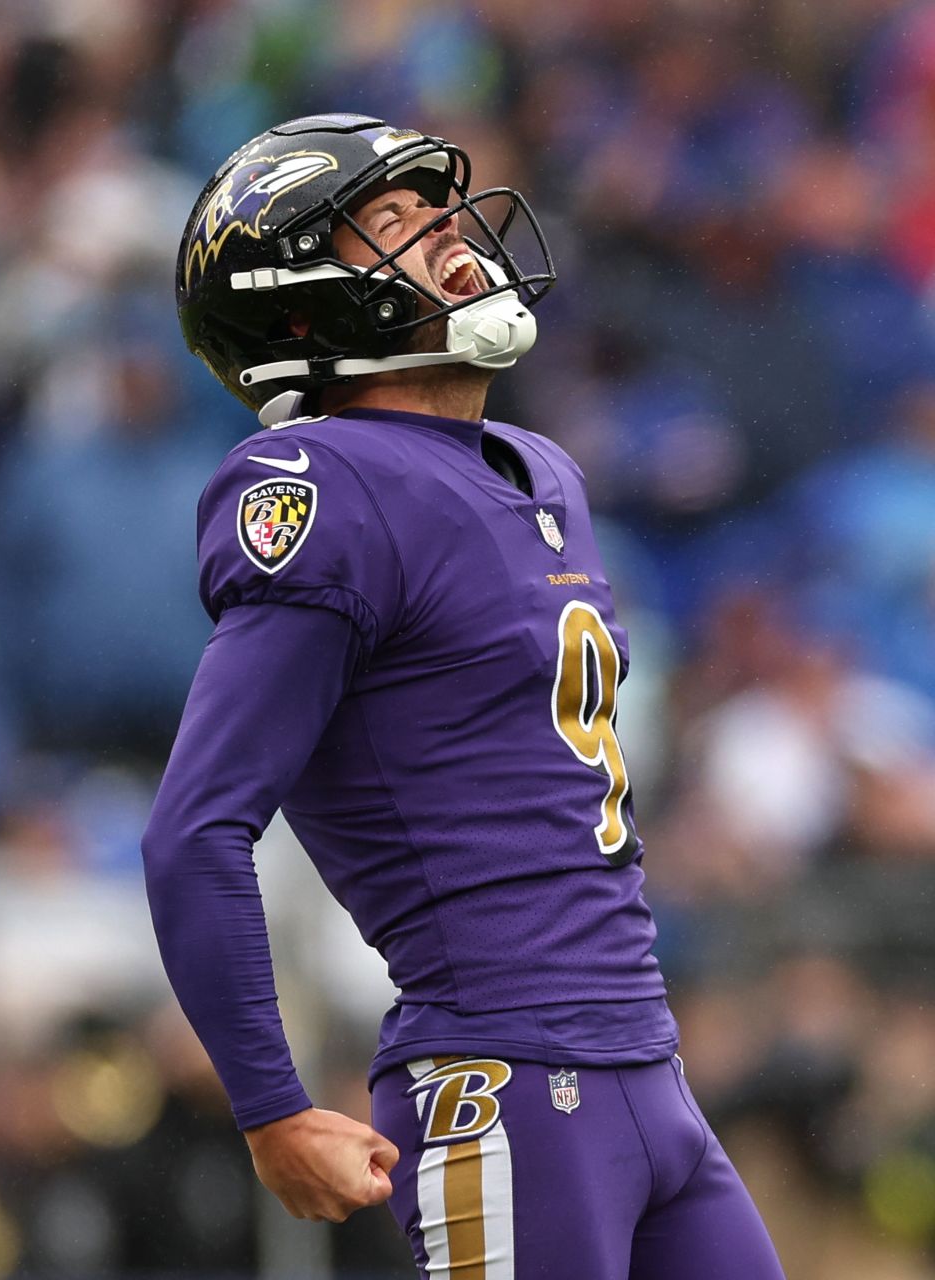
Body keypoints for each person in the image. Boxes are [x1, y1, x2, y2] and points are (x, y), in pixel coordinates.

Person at [141, 114, 785, 1278]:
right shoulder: (324, 482)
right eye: (390, 227)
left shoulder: (545, 472)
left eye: (438, 212)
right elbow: (196, 825)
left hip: (646, 1064)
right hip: (506, 1080)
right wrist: (270, 1104)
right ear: (304, 312)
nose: (446, 239)